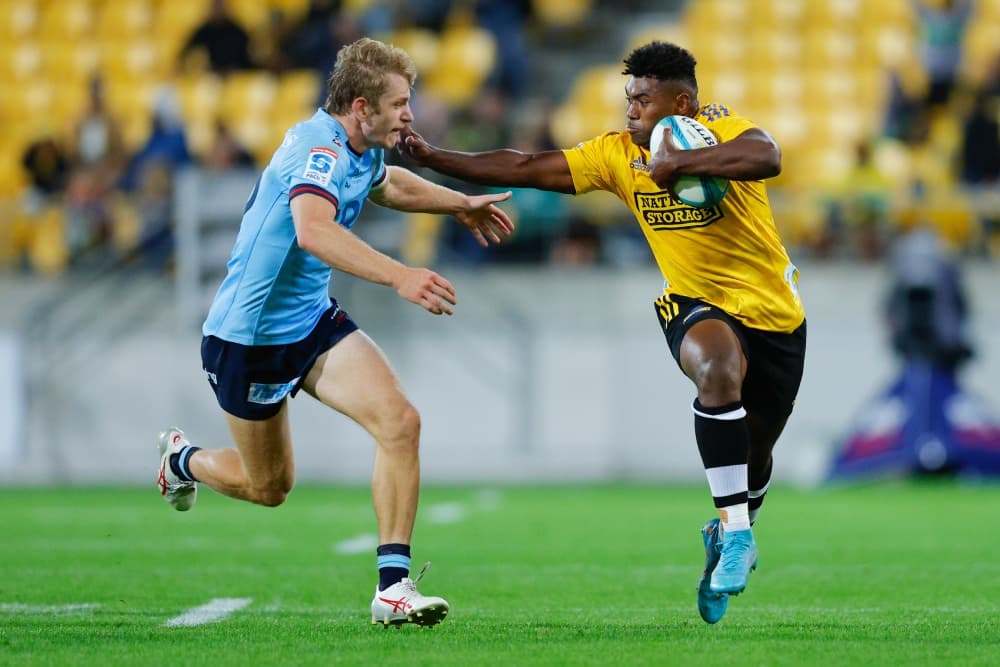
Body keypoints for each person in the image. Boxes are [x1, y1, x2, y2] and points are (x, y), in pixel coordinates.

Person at [401, 40, 806, 624]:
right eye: (628, 99)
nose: (631, 110)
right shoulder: (617, 154)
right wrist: (433, 156)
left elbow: (767, 156)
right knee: (716, 369)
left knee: (756, 452)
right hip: (694, 303)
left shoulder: (717, 127)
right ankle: (740, 535)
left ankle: (725, 531)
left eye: (643, 100)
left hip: (776, 313)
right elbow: (525, 167)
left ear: (682, 102)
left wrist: (683, 164)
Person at [155, 37, 514, 628]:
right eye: (399, 103)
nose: (409, 115)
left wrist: (457, 204)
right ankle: (183, 460)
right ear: (360, 107)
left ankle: (393, 588)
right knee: (268, 487)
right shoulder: (316, 150)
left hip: (312, 322)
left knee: (401, 423)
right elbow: (313, 232)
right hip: (248, 340)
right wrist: (400, 275)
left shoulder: (363, 147)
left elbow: (388, 184)